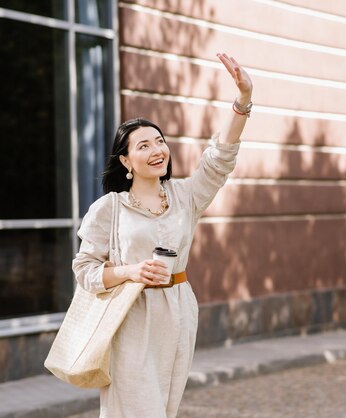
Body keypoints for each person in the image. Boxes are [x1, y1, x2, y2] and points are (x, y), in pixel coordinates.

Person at [72, 52, 253, 418]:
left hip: (179, 314)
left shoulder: (186, 196)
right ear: (125, 161)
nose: (157, 150)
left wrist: (243, 102)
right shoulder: (110, 208)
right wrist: (130, 271)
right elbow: (85, 271)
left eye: (159, 141)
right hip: (131, 317)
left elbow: (218, 160)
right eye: (144, 146)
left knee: (164, 410)